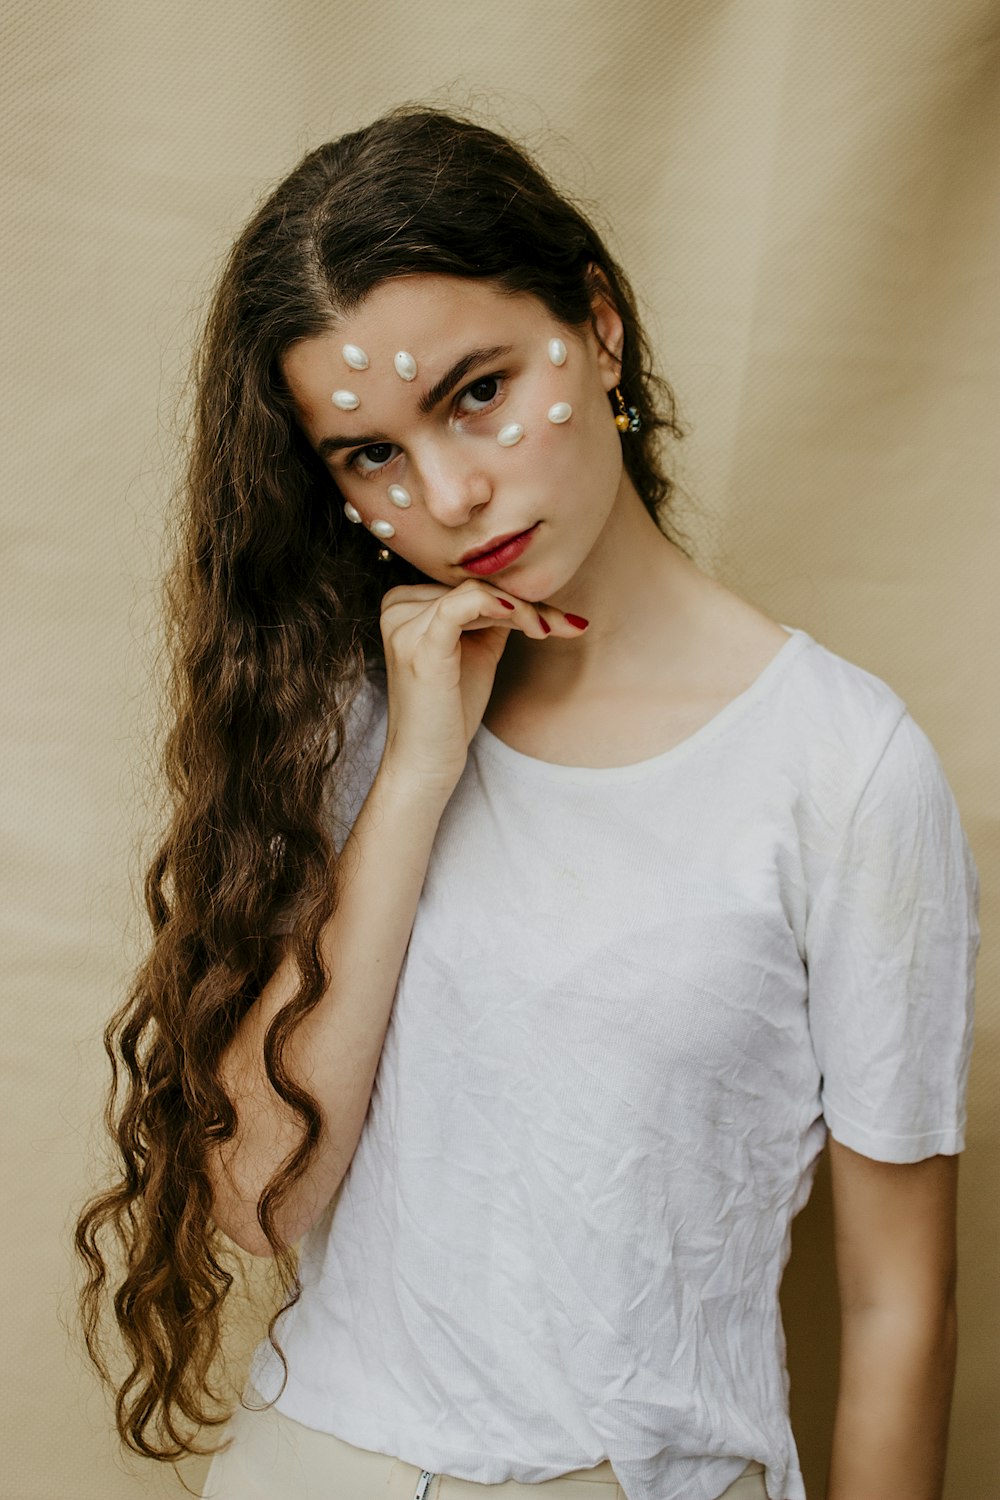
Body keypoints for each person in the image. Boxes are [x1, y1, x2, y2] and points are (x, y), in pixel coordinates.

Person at [73, 107, 980, 1500]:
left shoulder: (839, 768)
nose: (448, 492)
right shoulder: (349, 719)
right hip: (316, 1467)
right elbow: (259, 1202)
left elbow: (896, 1308)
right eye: (368, 454)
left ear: (598, 328)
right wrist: (419, 776)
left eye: (477, 392)